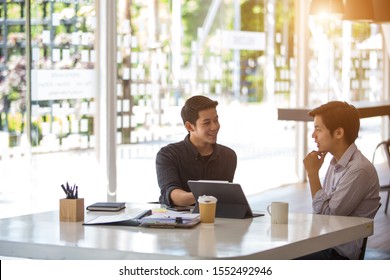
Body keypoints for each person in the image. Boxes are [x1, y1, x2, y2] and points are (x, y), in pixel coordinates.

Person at [298, 101, 380, 260]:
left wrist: (312, 174)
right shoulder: (336, 163)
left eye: (318, 129)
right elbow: (322, 213)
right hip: (326, 244)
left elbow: (328, 217)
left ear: (338, 133)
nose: (313, 136)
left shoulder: (358, 169)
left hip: (337, 255)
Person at [156, 95, 237, 207]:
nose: (214, 127)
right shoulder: (168, 155)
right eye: (207, 123)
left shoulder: (228, 156)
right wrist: (211, 195)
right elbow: (173, 195)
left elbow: (223, 204)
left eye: (216, 120)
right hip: (176, 221)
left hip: (215, 221)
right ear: (189, 127)